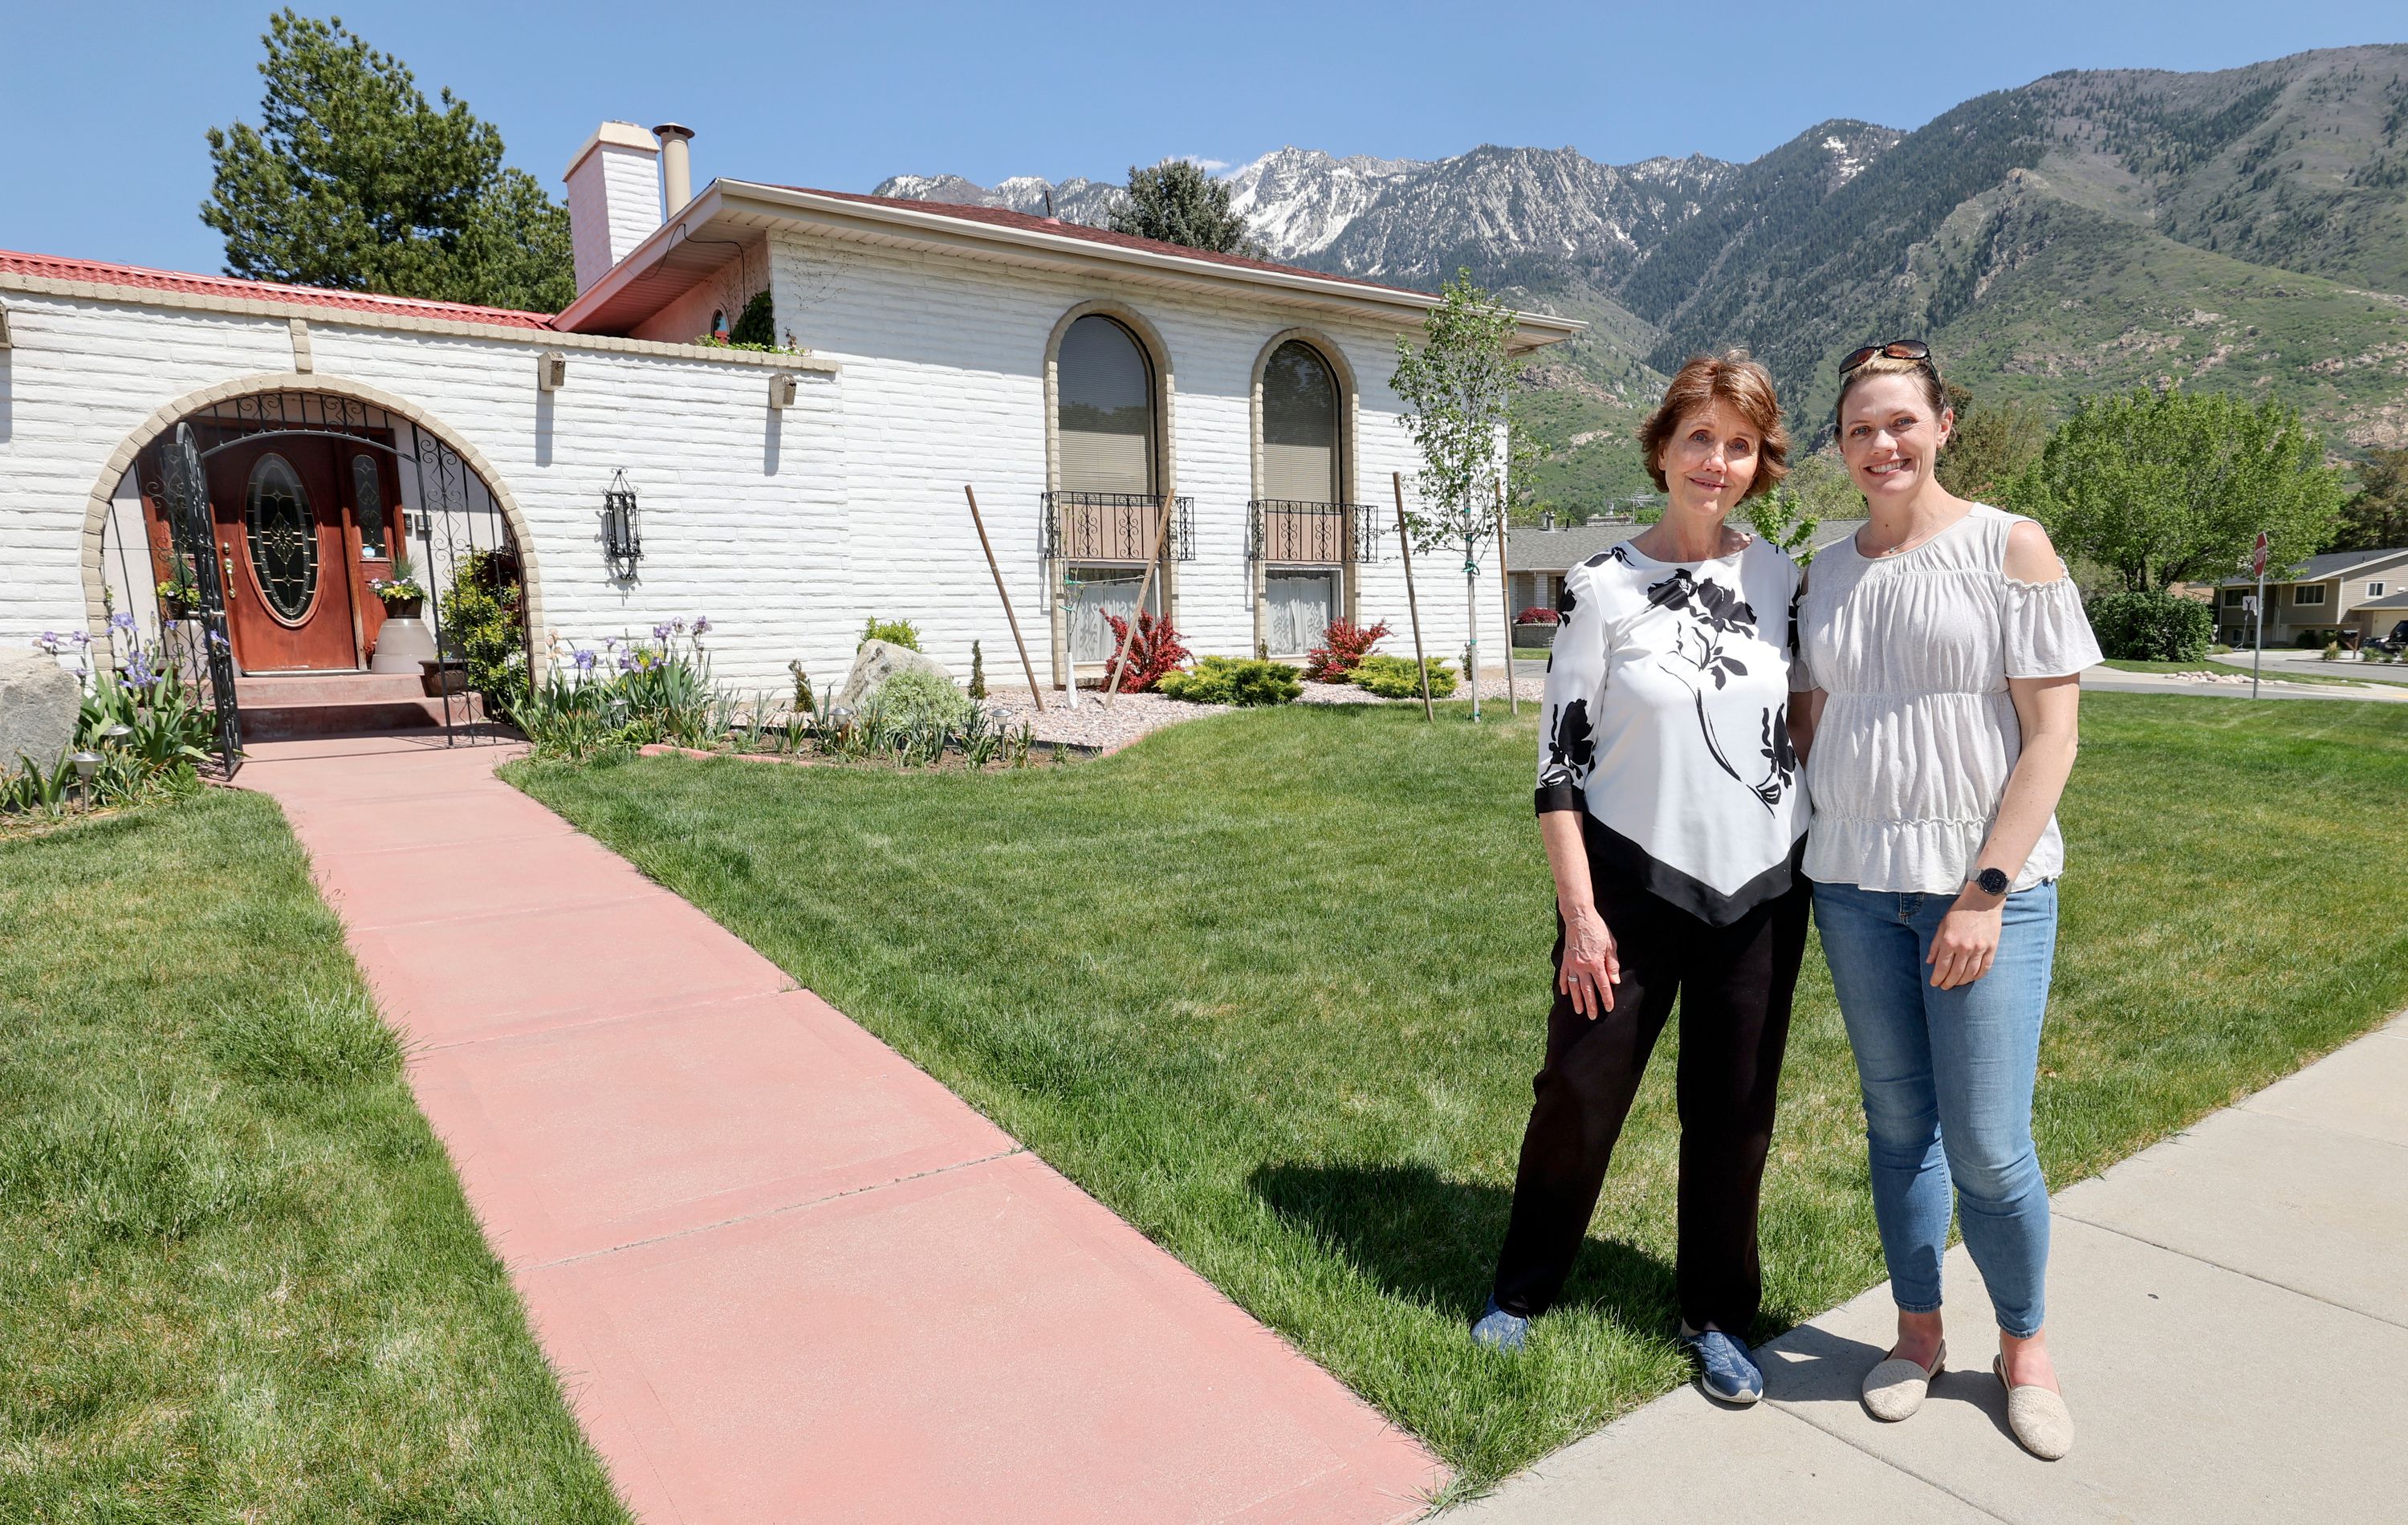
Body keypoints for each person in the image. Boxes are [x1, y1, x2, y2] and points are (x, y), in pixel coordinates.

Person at [1472, 352, 1813, 1408]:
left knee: (1735, 1113)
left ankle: (1715, 1317)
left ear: (1761, 464)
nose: (1717, 462)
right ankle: (1522, 1292)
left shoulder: (1782, 581)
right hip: (1626, 888)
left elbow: (1799, 726)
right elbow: (1558, 766)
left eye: (1740, 445)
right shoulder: (1599, 587)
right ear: (1663, 448)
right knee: (1578, 1094)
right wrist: (1581, 916)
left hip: (1759, 892)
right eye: (1699, 439)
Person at [1790, 340, 2101, 1460]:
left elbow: (2052, 734)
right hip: (1856, 888)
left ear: (1943, 423)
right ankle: (1917, 1333)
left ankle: (2025, 1348)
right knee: (1896, 1126)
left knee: (1987, 1144)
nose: (1883, 445)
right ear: (1840, 445)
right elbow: (1812, 723)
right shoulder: (1825, 569)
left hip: (1984, 896)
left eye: (1901, 422)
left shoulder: (2009, 546)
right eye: (1861, 428)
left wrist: (1983, 889)